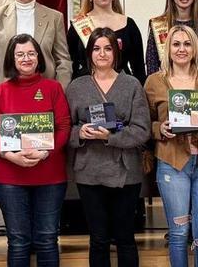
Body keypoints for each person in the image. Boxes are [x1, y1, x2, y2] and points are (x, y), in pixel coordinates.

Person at [0, 34, 71, 267]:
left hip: (50, 176)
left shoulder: (53, 88)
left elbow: (64, 128)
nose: (26, 58)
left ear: (39, 57)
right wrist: (10, 156)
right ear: (11, 59)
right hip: (10, 178)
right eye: (20, 54)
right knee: (18, 241)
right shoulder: (0, 92)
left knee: (47, 239)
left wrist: (46, 152)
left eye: (31, 53)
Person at [66, 28, 150, 267]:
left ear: (116, 52)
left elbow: (142, 130)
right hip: (89, 171)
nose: (102, 54)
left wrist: (110, 137)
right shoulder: (76, 87)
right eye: (96, 48)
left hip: (125, 171)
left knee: (125, 237)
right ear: (88, 52)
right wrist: (79, 132)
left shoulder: (132, 84)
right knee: (99, 239)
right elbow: (65, 129)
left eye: (107, 48)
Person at [145, 25, 198, 267]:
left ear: (196, 47)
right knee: (178, 234)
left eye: (187, 44)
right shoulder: (154, 81)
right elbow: (143, 123)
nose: (181, 49)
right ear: (168, 49)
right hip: (171, 165)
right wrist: (159, 129)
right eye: (176, 44)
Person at [67, 0, 146, 84]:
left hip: (123, 88)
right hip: (86, 89)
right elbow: (70, 64)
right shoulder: (78, 25)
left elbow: (138, 68)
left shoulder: (129, 25)